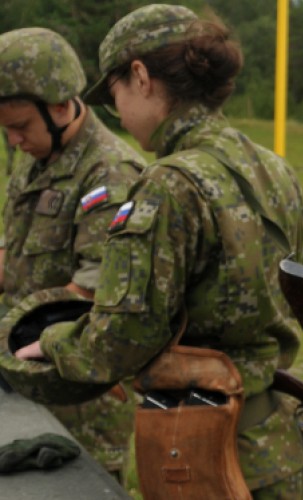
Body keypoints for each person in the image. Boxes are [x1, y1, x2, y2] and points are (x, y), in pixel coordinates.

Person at [12, 5, 303, 498]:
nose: (119, 115)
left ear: (140, 77)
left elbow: (127, 333)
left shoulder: (171, 185)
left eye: (114, 97)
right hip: (275, 448)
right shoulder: (274, 169)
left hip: (204, 455)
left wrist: (54, 343)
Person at [0, 27, 144, 482]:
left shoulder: (109, 174)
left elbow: (88, 296)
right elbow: (17, 254)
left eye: (19, 127)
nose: (13, 141)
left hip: (79, 401)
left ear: (60, 107)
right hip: (25, 376)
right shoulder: (37, 154)